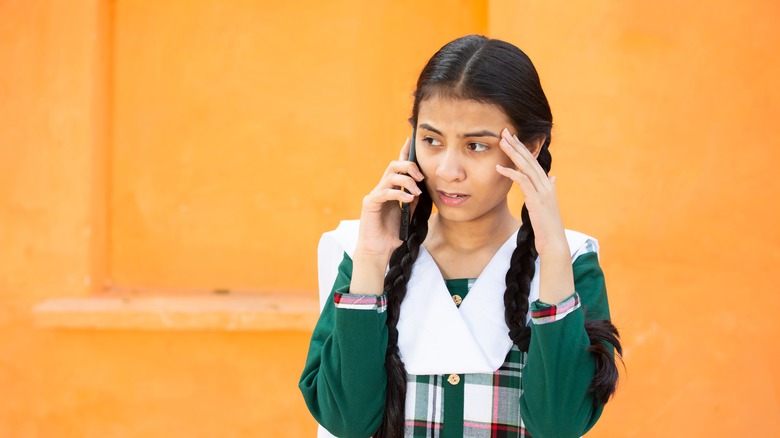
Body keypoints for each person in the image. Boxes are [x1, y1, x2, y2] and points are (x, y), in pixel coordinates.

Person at [299, 35, 622, 438]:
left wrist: (552, 251)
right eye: (431, 140)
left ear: (532, 147)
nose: (448, 169)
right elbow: (346, 421)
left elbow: (559, 424)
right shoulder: (362, 253)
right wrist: (370, 256)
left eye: (476, 146)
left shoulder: (571, 262)